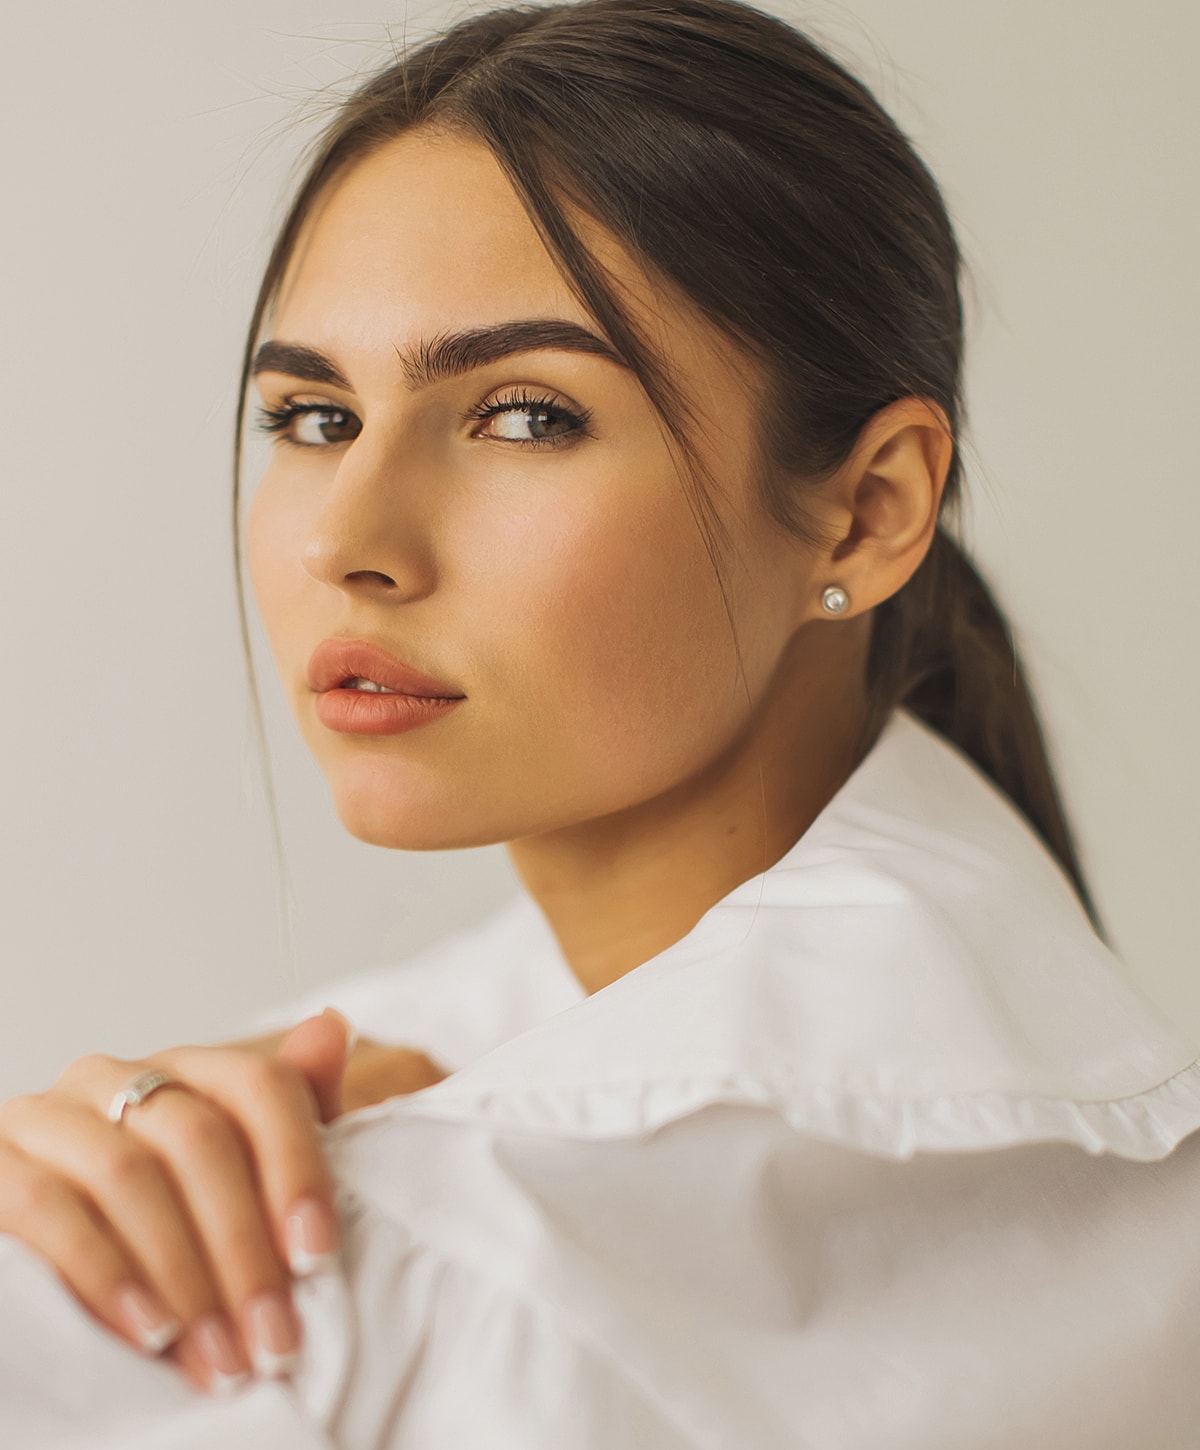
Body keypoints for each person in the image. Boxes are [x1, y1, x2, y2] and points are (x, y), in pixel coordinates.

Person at [2, 0, 1199, 1444]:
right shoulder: (1124, 1165)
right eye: (313, 418)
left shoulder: (401, 1266)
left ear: (872, 507)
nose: (348, 542)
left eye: (524, 415)